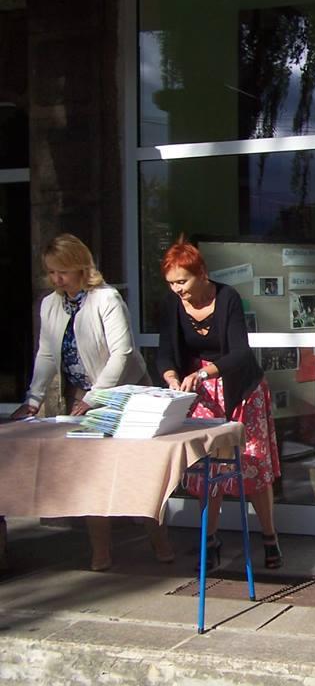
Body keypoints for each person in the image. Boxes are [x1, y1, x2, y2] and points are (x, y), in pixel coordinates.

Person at [11, 233, 174, 571]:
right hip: (84, 395)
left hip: (126, 393)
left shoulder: (106, 298)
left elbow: (122, 353)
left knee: (138, 473)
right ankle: (101, 551)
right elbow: (46, 354)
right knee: (92, 474)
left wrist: (95, 396)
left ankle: (160, 542)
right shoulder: (50, 304)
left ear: (80, 267)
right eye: (51, 272)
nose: (57, 279)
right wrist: (33, 399)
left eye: (63, 272)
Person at [158, 238, 283, 569]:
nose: (177, 289)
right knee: (208, 468)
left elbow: (240, 353)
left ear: (202, 274)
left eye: (182, 281)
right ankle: (210, 539)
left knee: (252, 465)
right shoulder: (172, 305)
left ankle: (269, 537)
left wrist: (204, 373)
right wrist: (171, 376)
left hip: (241, 388)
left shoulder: (227, 297)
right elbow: (166, 351)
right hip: (201, 393)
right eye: (171, 283)